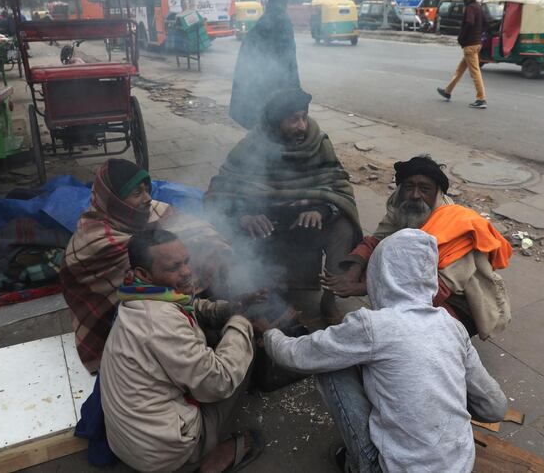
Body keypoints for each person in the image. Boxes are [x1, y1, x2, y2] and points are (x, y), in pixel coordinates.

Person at [264, 229, 508, 473]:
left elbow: (298, 356)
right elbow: (494, 407)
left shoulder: (372, 326)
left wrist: (269, 334)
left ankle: (357, 464)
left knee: (329, 365)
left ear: (380, 273)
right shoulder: (451, 326)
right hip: (460, 466)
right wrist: (441, 399)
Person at [100, 230, 264, 473]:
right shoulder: (160, 321)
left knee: (222, 340)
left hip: (131, 441)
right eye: (174, 267)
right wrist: (240, 322)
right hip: (165, 452)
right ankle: (206, 457)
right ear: (145, 273)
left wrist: (227, 310)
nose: (187, 272)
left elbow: (185, 306)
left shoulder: (137, 293)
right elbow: (219, 381)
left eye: (186, 262)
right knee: (242, 354)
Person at [206, 88, 362, 324]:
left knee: (344, 228)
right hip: (266, 225)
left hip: (308, 223)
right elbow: (219, 194)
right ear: (275, 122)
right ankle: (255, 297)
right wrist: (244, 216)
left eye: (304, 117)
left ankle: (329, 301)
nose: (301, 126)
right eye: (293, 119)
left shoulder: (318, 143)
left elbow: (338, 187)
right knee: (230, 231)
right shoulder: (251, 147)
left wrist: (321, 210)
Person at [61, 159, 230, 373]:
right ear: (115, 200)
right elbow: (143, 285)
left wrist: (220, 253)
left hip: (156, 298)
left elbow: (196, 229)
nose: (148, 198)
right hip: (114, 322)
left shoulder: (146, 212)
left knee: (215, 267)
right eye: (137, 193)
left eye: (147, 189)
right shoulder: (96, 242)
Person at [322, 155, 512, 338]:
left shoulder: (458, 226)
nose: (415, 195)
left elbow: (434, 291)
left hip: (456, 301)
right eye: (409, 187)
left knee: (408, 333)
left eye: (424, 189)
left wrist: (363, 287)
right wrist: (352, 273)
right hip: (418, 283)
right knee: (380, 259)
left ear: (437, 193)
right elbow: (376, 242)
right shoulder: (403, 209)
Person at [229, 0, 300, 129]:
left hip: (260, 73)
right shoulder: (283, 19)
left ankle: (263, 136)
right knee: (277, 111)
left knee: (262, 108)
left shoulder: (266, 17)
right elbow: (288, 54)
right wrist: (295, 85)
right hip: (273, 75)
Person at [438, 0, 487, 109]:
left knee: (475, 72)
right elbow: (486, 24)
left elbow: (469, 22)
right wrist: (479, 35)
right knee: (460, 70)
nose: (464, 0)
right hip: (476, 43)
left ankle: (481, 99)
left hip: (470, 45)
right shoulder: (479, 7)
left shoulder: (470, 8)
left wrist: (461, 37)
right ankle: (448, 91)